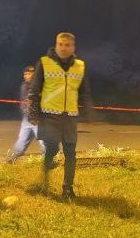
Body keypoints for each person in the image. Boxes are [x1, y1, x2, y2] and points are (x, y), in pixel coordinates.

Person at [28, 32, 95, 200]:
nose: (64, 48)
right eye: (61, 44)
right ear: (56, 45)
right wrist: (33, 113)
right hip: (49, 115)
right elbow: (34, 90)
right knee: (52, 148)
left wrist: (88, 112)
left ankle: (67, 189)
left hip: (70, 116)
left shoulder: (80, 66)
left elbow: (85, 92)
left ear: (73, 47)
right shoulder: (44, 63)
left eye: (67, 45)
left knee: (70, 153)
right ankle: (44, 180)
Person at [7, 65, 44, 164]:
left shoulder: (40, 86)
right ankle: (10, 160)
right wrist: (27, 114)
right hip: (27, 120)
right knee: (21, 142)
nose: (27, 76)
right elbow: (24, 103)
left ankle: (50, 161)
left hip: (38, 119)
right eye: (26, 74)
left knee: (44, 141)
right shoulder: (24, 86)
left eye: (30, 73)